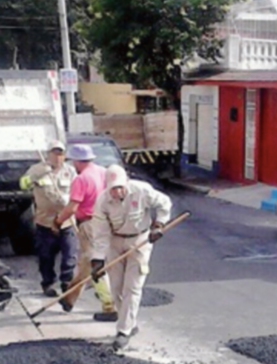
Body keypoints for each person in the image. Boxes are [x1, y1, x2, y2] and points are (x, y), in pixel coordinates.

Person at [91, 165, 172, 352]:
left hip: (140, 241)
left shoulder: (141, 190)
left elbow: (164, 203)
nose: (117, 192)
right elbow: (101, 234)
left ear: (126, 183)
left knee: (132, 288)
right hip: (115, 242)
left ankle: (123, 331)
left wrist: (158, 225)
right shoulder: (103, 202)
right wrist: (97, 260)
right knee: (116, 287)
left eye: (120, 187)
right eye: (113, 188)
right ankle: (128, 321)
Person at [54, 144, 116, 320]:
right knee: (87, 264)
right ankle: (70, 298)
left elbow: (72, 207)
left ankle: (109, 304)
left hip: (89, 224)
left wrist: (58, 221)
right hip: (106, 222)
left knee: (94, 263)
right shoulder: (102, 172)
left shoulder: (81, 179)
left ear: (76, 161)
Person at [20, 141, 78, 297]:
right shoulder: (37, 169)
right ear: (48, 154)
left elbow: (78, 192)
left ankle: (66, 282)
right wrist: (36, 176)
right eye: (55, 153)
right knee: (46, 256)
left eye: (61, 154)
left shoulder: (70, 171)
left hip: (66, 221)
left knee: (70, 255)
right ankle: (48, 284)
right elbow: (23, 184)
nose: (58, 157)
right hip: (44, 222)